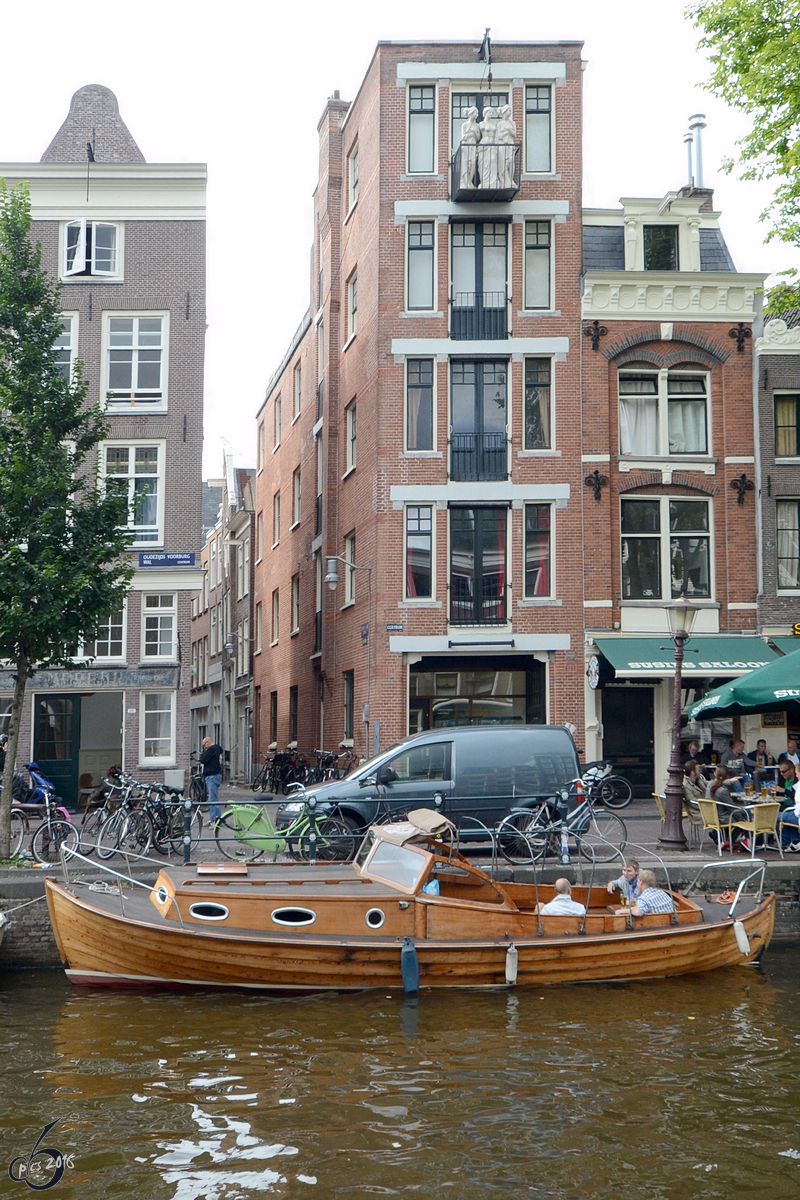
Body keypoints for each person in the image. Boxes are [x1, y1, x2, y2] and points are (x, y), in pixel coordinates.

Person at [777, 758, 800, 850]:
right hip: (787, 808)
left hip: (795, 812)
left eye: (797, 773)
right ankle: (794, 842)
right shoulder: (782, 779)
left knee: (774, 816)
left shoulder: (798, 784)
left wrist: (785, 791)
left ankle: (785, 844)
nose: (797, 775)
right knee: (781, 815)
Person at [200, 736, 224, 824]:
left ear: (208, 742)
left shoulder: (211, 750)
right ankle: (213, 818)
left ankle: (216, 820)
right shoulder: (217, 749)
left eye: (204, 745)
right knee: (212, 798)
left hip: (212, 776)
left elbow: (203, 759)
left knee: (213, 799)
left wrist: (204, 753)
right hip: (213, 776)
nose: (204, 747)